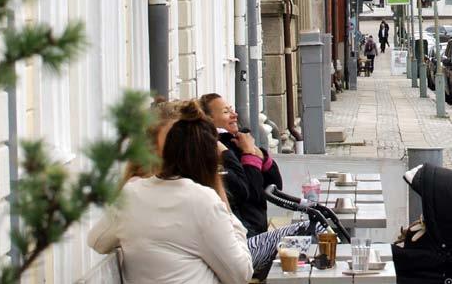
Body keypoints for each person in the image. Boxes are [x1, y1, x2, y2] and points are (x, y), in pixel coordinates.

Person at [88, 100, 253, 284]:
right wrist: (220, 192)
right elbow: (241, 274)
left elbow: (97, 241)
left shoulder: (131, 193)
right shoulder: (204, 201)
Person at [199, 93, 326, 278]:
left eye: (232, 109)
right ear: (209, 120)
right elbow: (251, 193)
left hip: (252, 236)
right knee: (317, 227)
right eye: (226, 112)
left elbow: (275, 184)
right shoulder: (216, 152)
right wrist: (249, 154)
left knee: (317, 224)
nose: (234, 115)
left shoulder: (236, 142)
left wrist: (259, 155)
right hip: (245, 244)